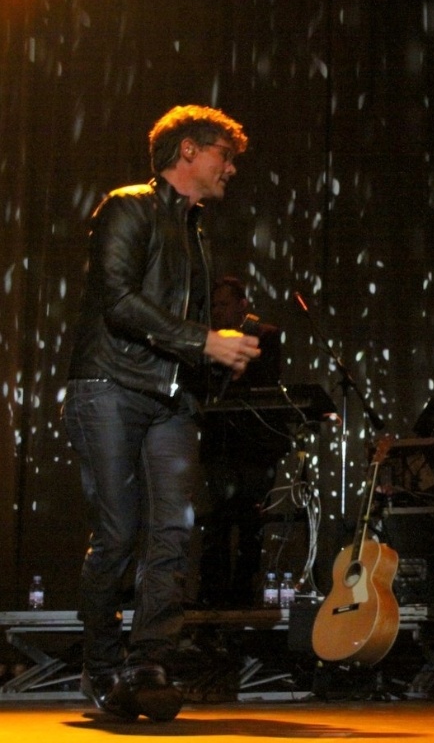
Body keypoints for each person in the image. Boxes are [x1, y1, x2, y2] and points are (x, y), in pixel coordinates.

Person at [63, 105, 261, 721]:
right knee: (119, 535)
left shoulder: (197, 232)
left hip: (171, 399)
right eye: (224, 155)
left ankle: (148, 663)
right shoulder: (128, 207)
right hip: (110, 386)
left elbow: (181, 326)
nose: (231, 168)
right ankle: (102, 666)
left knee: (174, 531)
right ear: (188, 152)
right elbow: (118, 300)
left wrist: (218, 359)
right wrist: (205, 342)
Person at [197, 276, 290, 608]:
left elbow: (264, 380)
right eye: (215, 305)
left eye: (224, 304)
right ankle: (213, 597)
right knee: (218, 521)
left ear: (242, 305)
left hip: (255, 446)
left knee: (251, 523)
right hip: (221, 443)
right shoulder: (207, 341)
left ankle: (244, 596)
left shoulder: (265, 335)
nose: (218, 311)